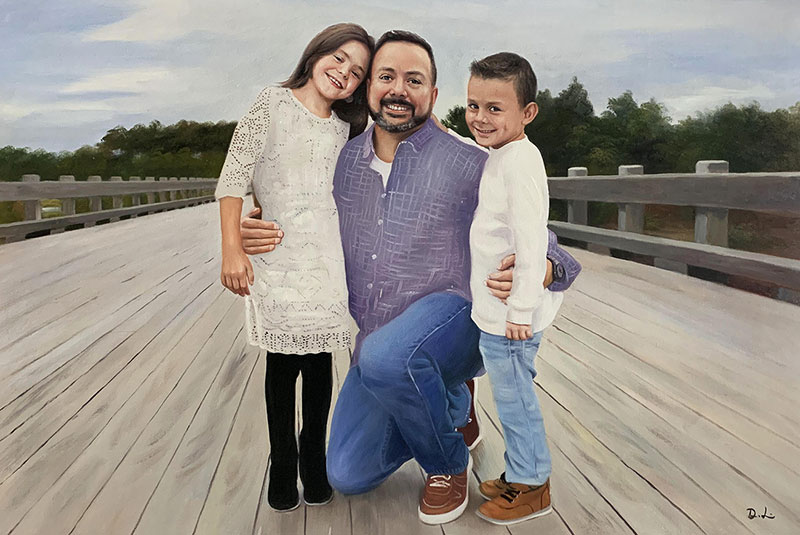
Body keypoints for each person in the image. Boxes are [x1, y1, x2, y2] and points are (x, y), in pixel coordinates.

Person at [239, 30, 580, 525]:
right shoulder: (341, 162)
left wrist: (548, 268)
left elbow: (553, 250)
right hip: (379, 343)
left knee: (388, 356)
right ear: (368, 88)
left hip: (457, 320)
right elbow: (291, 206)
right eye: (386, 77)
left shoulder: (471, 161)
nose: (399, 89)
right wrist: (256, 227)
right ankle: (448, 402)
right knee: (348, 472)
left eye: (414, 80)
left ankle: (447, 464)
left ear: (433, 96)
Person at [213, 23, 373, 512]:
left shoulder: (348, 126)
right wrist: (232, 247)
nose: (344, 74)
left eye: (357, 73)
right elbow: (233, 178)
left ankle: (313, 460)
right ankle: (281, 462)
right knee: (283, 365)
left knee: (321, 362)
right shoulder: (271, 104)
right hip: (277, 256)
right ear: (317, 52)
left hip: (327, 258)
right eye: (339, 59)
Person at [462, 52, 561, 525]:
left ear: (528, 113)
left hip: (511, 318)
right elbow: (476, 145)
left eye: (494, 108)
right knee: (508, 396)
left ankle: (533, 484)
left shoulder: (523, 161)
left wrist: (521, 309)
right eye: (473, 105)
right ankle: (520, 469)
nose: (481, 118)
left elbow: (532, 236)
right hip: (497, 313)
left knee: (515, 399)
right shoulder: (502, 153)